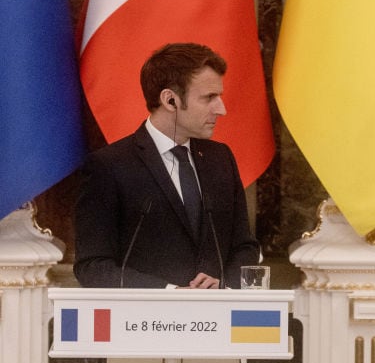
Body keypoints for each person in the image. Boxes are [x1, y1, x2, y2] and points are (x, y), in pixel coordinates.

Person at [74, 43, 259, 288]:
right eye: (209, 98)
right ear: (170, 100)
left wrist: (224, 283)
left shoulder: (221, 158)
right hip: (143, 322)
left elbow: (244, 247)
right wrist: (169, 293)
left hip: (219, 319)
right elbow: (92, 266)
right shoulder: (109, 166)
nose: (221, 109)